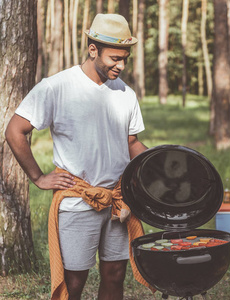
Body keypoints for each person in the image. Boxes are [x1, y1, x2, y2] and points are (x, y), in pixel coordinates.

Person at [5, 14, 152, 300]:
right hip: (77, 200)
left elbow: (131, 143)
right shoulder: (56, 87)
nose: (121, 65)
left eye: (125, 58)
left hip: (118, 200)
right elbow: (15, 131)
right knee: (73, 281)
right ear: (93, 49)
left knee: (115, 275)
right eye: (114, 58)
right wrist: (38, 177)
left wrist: (161, 165)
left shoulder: (126, 94)